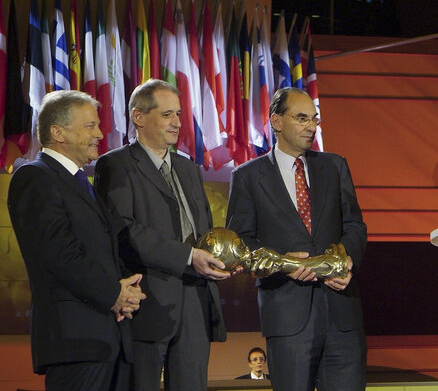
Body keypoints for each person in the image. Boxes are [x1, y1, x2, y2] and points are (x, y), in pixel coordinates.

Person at [226, 87, 367, 391]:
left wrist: (346, 260)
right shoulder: (247, 176)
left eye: (314, 119)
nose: (311, 127)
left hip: (342, 314)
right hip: (288, 317)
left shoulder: (335, 165)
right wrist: (283, 263)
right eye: (302, 119)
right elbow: (242, 243)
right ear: (276, 121)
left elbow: (355, 225)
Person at [94, 79, 229, 391]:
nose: (177, 123)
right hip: (147, 300)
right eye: (167, 115)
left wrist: (220, 256)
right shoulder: (115, 165)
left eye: (179, 114)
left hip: (196, 299)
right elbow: (124, 230)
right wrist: (187, 256)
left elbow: (203, 228)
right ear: (139, 117)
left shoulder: (189, 168)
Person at [8, 90, 146, 391]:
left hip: (109, 340)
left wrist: (126, 289)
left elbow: (101, 251)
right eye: (89, 126)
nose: (99, 133)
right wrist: (114, 293)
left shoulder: (81, 183)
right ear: (57, 132)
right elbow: (60, 255)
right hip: (75, 341)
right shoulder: (35, 177)